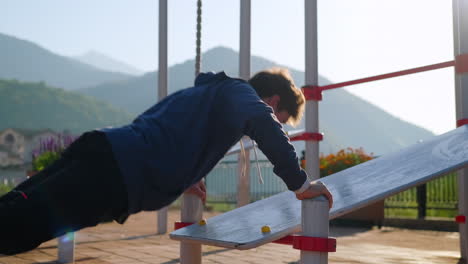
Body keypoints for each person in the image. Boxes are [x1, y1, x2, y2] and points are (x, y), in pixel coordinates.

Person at [0, 68, 333, 255]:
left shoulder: (206, 96)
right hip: (116, 174)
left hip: (104, 149)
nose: (275, 120)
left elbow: (159, 124)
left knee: (16, 208)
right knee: (17, 227)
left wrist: (185, 174)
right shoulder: (240, 95)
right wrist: (300, 184)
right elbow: (261, 119)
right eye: (280, 115)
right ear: (273, 101)